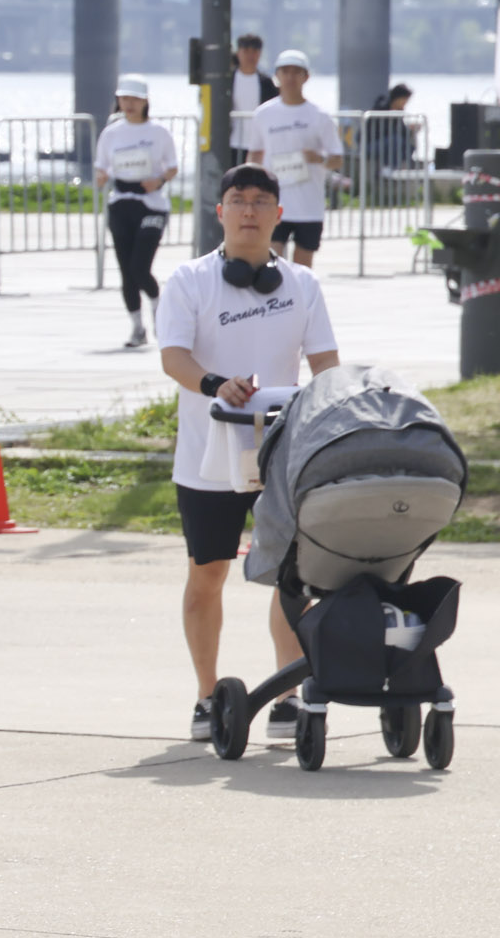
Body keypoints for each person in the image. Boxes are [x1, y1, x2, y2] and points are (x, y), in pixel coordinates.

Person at [156, 163, 340, 744]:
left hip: (283, 459)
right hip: (208, 459)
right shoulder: (189, 280)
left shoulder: (302, 285)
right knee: (207, 574)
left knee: (293, 580)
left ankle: (287, 697)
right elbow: (173, 357)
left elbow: (325, 364)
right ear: (221, 211)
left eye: (262, 201)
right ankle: (207, 695)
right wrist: (216, 385)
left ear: (279, 214)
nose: (250, 211)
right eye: (239, 200)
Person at [93, 76, 179, 349]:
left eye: (134, 99)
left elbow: (172, 166)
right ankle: (137, 327)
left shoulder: (159, 132)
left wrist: (160, 180)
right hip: (121, 202)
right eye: (124, 98)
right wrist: (100, 177)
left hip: (152, 203)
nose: (129, 104)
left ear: (145, 101)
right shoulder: (111, 133)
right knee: (126, 271)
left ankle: (157, 307)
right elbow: (101, 166)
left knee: (140, 267)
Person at [246, 49, 343, 270]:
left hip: (309, 205)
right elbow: (255, 153)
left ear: (305, 77)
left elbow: (337, 159)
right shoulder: (263, 114)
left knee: (302, 269)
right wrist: (252, 185)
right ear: (277, 76)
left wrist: (319, 159)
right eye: (285, 72)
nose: (290, 77)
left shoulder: (319, 116)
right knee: (271, 264)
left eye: (296, 72)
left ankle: (300, 295)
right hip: (274, 202)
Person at [228, 34, 280, 162]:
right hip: (232, 142)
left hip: (260, 145)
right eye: (246, 51)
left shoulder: (267, 83)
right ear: (238, 53)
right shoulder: (227, 81)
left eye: (255, 51)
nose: (250, 56)